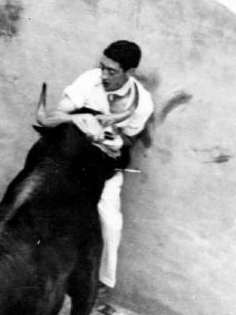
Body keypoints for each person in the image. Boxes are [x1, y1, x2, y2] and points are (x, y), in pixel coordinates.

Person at [37, 40, 154, 292]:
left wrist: (113, 142)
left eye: (111, 71)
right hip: (69, 157)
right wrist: (80, 119)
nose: (103, 75)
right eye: (102, 67)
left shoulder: (142, 102)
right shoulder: (89, 80)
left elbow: (127, 141)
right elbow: (55, 117)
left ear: (130, 73)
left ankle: (100, 284)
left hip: (103, 166)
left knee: (110, 223)